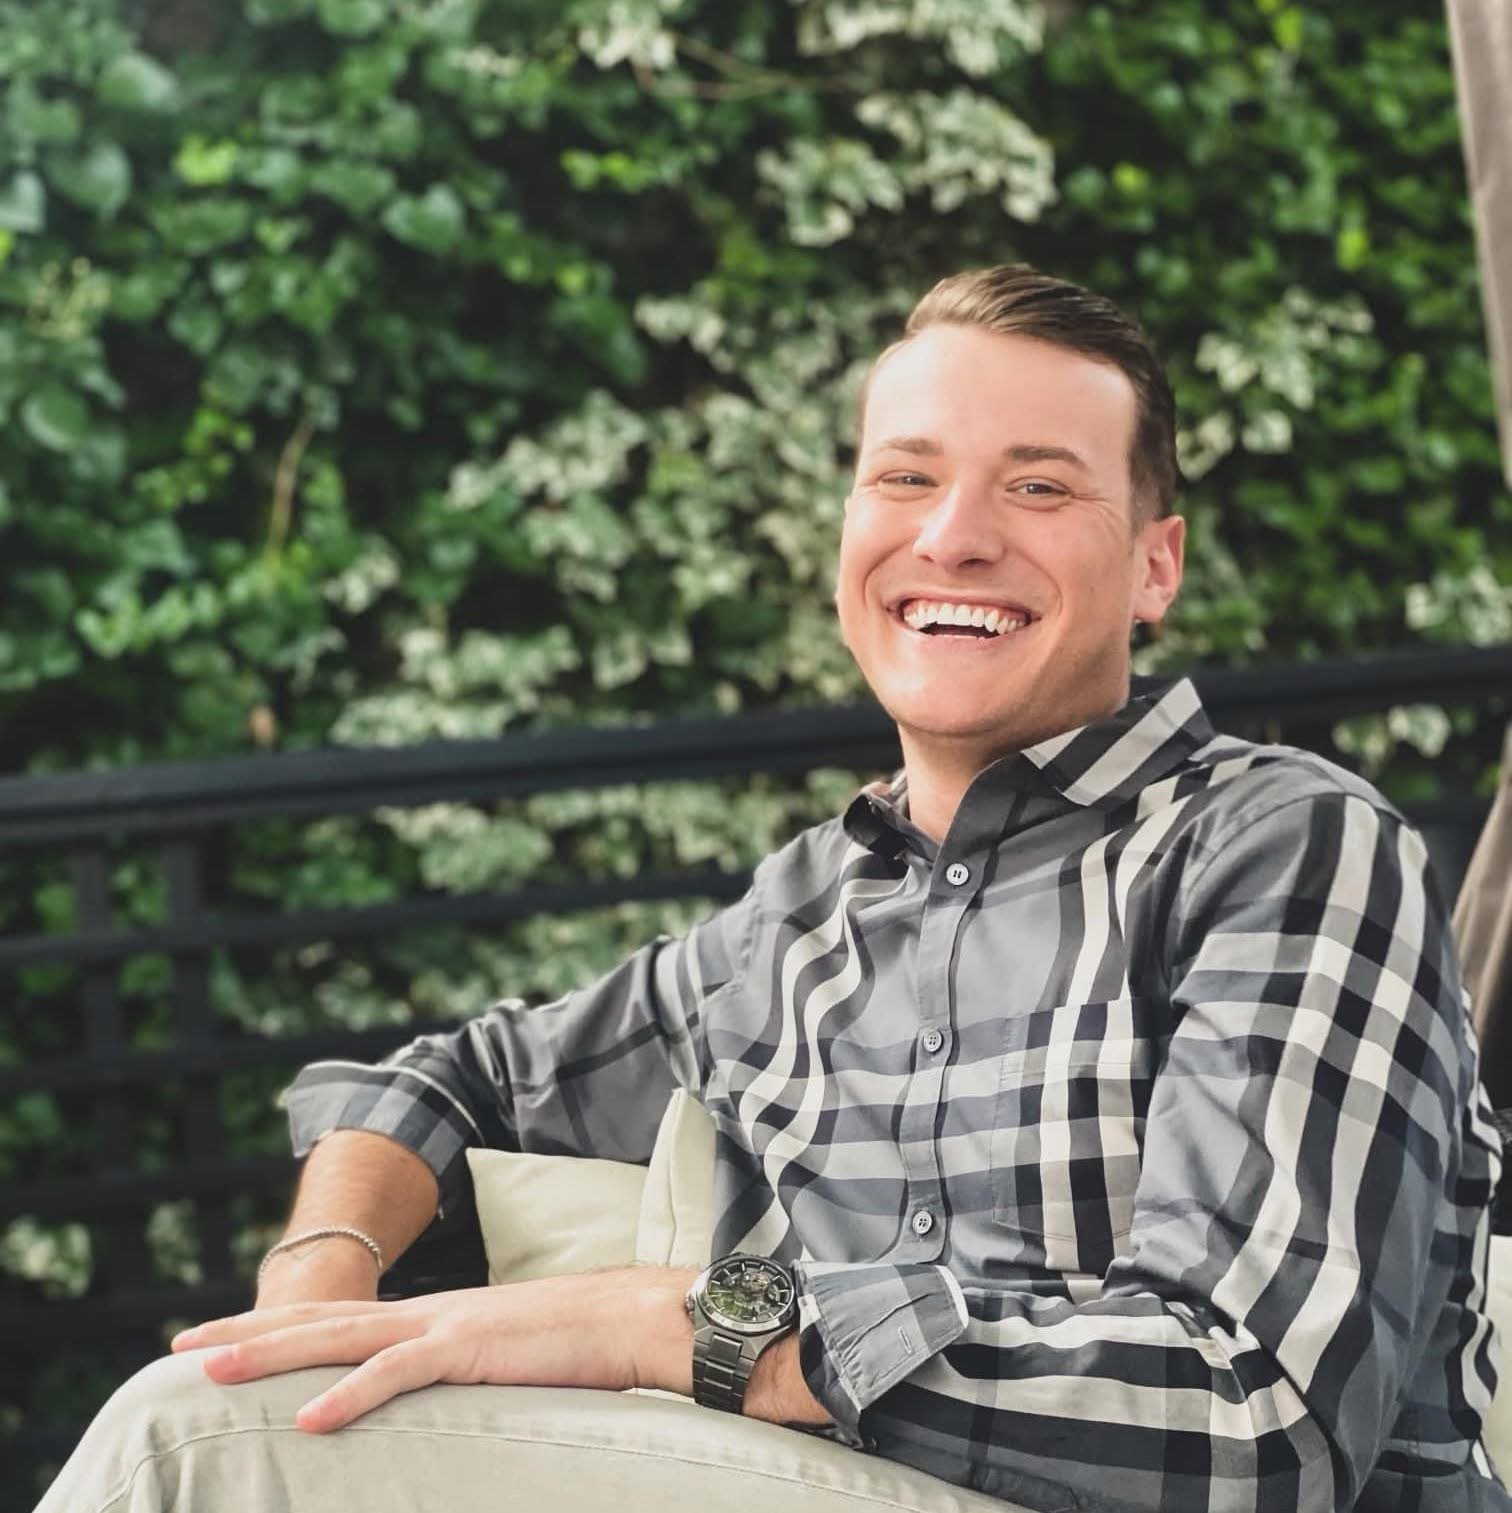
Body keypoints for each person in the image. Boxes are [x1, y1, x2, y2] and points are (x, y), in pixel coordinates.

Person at [37, 266, 1509, 1513]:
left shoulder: (1282, 844)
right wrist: (321, 1267)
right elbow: (447, 1080)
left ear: (1154, 567)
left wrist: (680, 1328)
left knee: (195, 1446)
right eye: (906, 477)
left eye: (1040, 486)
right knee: (251, 1401)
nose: (954, 534)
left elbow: (1260, 1421)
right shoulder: (799, 921)